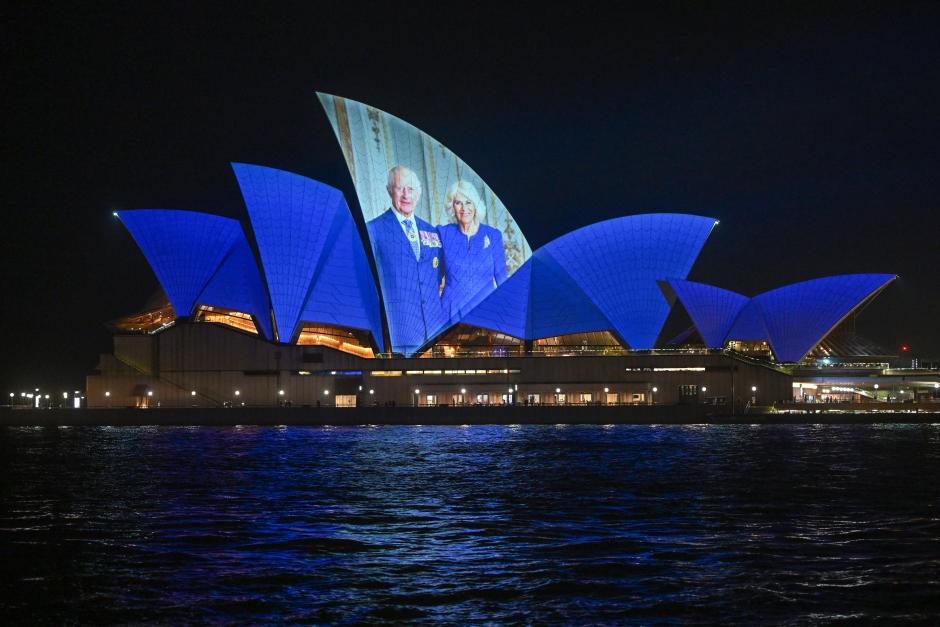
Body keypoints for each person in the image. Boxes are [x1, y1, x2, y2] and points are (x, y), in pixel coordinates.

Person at [366, 166, 446, 355]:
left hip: (434, 334)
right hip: (399, 335)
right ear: (389, 190)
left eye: (410, 189)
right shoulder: (374, 230)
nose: (405, 195)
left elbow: (438, 274)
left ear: (418, 193)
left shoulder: (432, 231)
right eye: (400, 188)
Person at [437, 180, 508, 321]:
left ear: (475, 205)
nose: (464, 208)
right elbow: (434, 279)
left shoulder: (493, 235)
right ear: (452, 207)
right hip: (450, 315)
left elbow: (502, 280)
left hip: (486, 314)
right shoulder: (443, 233)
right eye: (458, 203)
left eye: (468, 202)